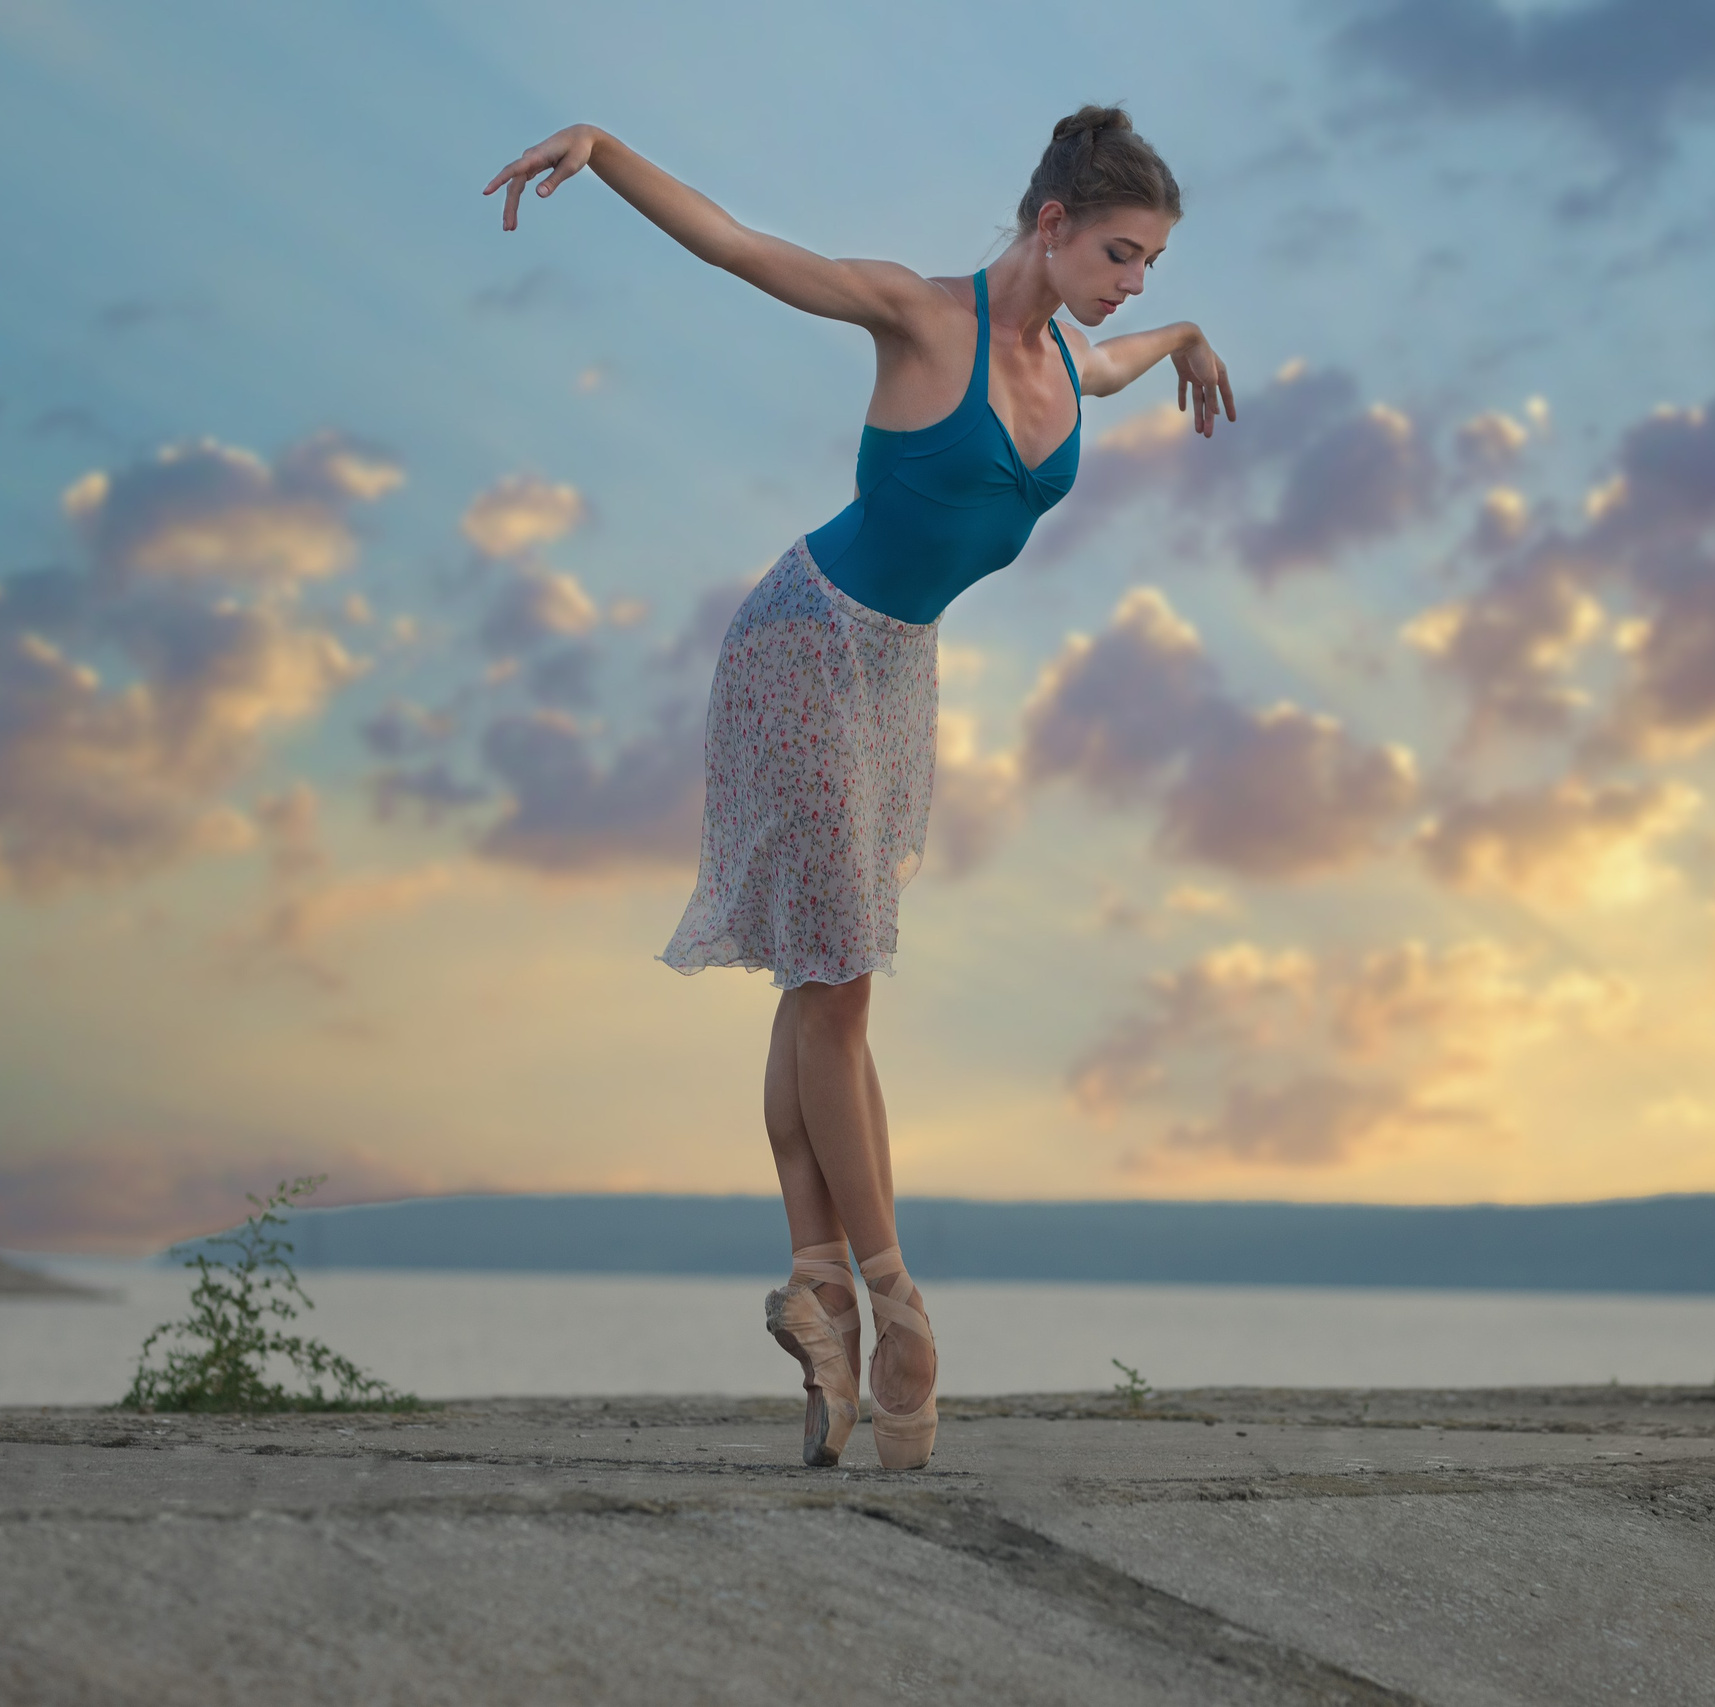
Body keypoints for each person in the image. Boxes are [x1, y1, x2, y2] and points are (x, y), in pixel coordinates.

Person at [485, 106, 1235, 1469]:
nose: (1133, 283)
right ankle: (898, 1311)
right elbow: (738, 249)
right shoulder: (914, 314)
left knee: (818, 986)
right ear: (1052, 224)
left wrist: (1184, 342)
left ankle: (819, 1296)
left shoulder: (1073, 353)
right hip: (803, 642)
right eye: (1122, 253)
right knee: (840, 991)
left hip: (897, 674)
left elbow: (1122, 364)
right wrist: (603, 149)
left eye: (1153, 266)